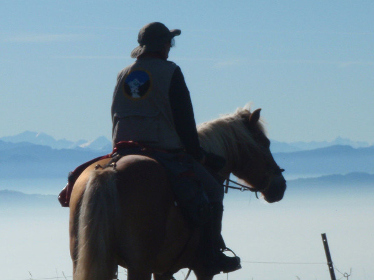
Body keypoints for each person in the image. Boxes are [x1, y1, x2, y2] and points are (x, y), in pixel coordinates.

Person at [111, 22, 241, 275]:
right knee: (213, 190)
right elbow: (184, 120)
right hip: (162, 149)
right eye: (169, 42)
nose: (170, 47)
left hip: (122, 148)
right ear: (163, 45)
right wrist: (198, 154)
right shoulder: (170, 72)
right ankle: (211, 253)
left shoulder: (123, 74)